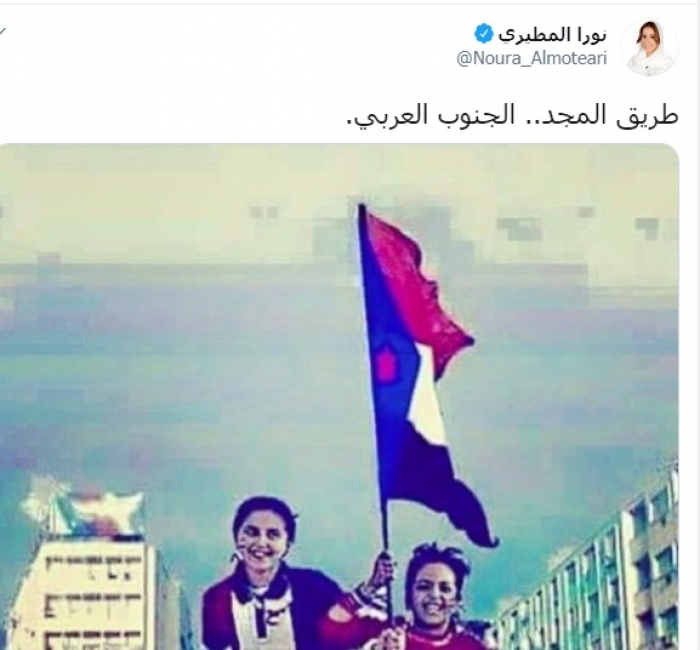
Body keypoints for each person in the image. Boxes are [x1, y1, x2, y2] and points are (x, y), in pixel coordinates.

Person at [201, 495, 384, 650]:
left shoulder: (314, 588)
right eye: (252, 532)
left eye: (273, 534)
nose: (261, 543)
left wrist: (372, 587)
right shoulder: (216, 599)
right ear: (237, 537)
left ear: (287, 544)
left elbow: (350, 634)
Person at [319, 543, 488, 650]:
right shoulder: (386, 633)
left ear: (457, 600)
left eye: (445, 589)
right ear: (409, 595)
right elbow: (331, 628)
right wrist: (372, 585)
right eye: (424, 587)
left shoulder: (470, 646)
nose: (434, 595)